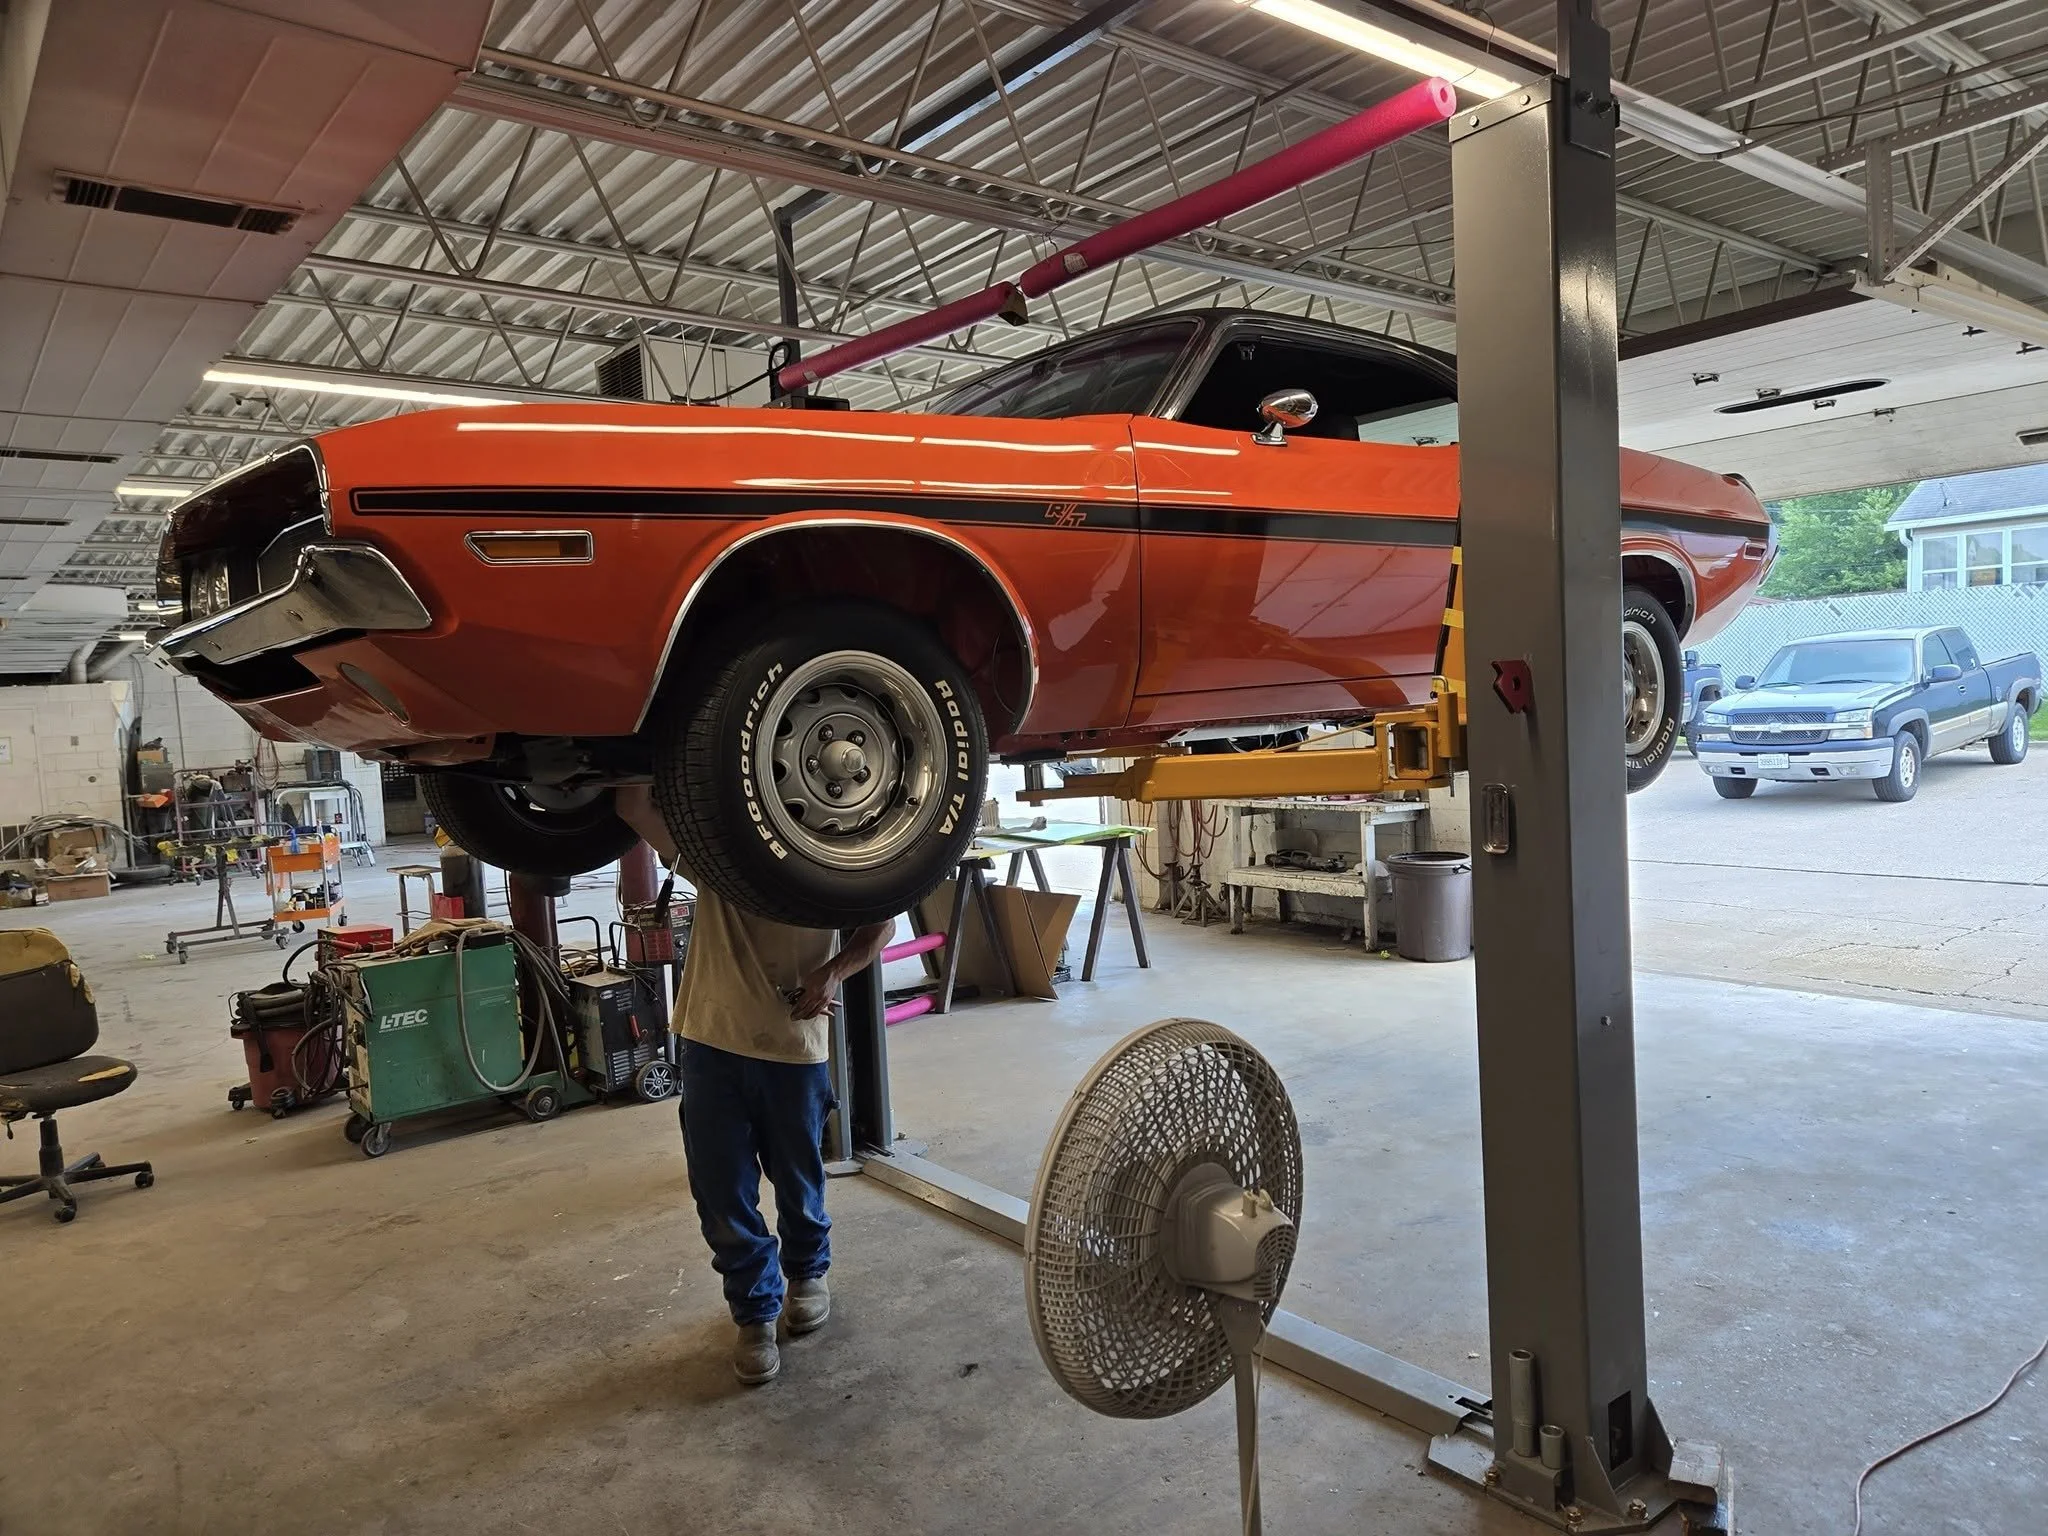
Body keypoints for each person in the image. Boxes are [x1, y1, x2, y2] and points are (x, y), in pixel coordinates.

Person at [617, 788, 893, 1385]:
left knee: (799, 1178)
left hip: (794, 1047)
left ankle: (807, 1273)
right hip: (711, 1039)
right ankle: (755, 1313)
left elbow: (880, 925)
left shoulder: (828, 862)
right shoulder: (722, 857)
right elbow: (634, 807)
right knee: (722, 1192)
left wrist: (833, 971)